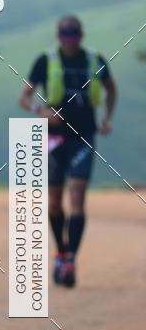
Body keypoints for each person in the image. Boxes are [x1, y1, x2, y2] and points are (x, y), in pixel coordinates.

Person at [19, 15, 116, 288]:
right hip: (53, 138)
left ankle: (71, 258)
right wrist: (41, 111)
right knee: (54, 200)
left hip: (84, 136)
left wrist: (107, 117)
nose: (70, 40)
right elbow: (24, 96)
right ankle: (61, 250)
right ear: (58, 36)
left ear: (81, 36)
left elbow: (111, 88)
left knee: (76, 194)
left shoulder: (95, 60)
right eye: (65, 35)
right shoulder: (46, 61)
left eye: (74, 35)